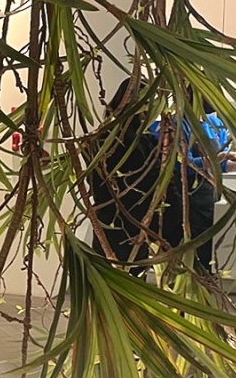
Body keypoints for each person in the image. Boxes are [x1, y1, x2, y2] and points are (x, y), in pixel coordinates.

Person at [150, 100, 236, 271]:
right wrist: (217, 159)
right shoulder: (178, 124)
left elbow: (219, 165)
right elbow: (183, 164)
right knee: (196, 243)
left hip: (211, 193)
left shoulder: (215, 123)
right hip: (189, 195)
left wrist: (229, 165)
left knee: (213, 239)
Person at [90, 79, 162, 272]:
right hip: (132, 223)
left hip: (109, 220)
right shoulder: (143, 143)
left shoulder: (100, 138)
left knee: (107, 279)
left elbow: (95, 184)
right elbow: (153, 183)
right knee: (131, 277)